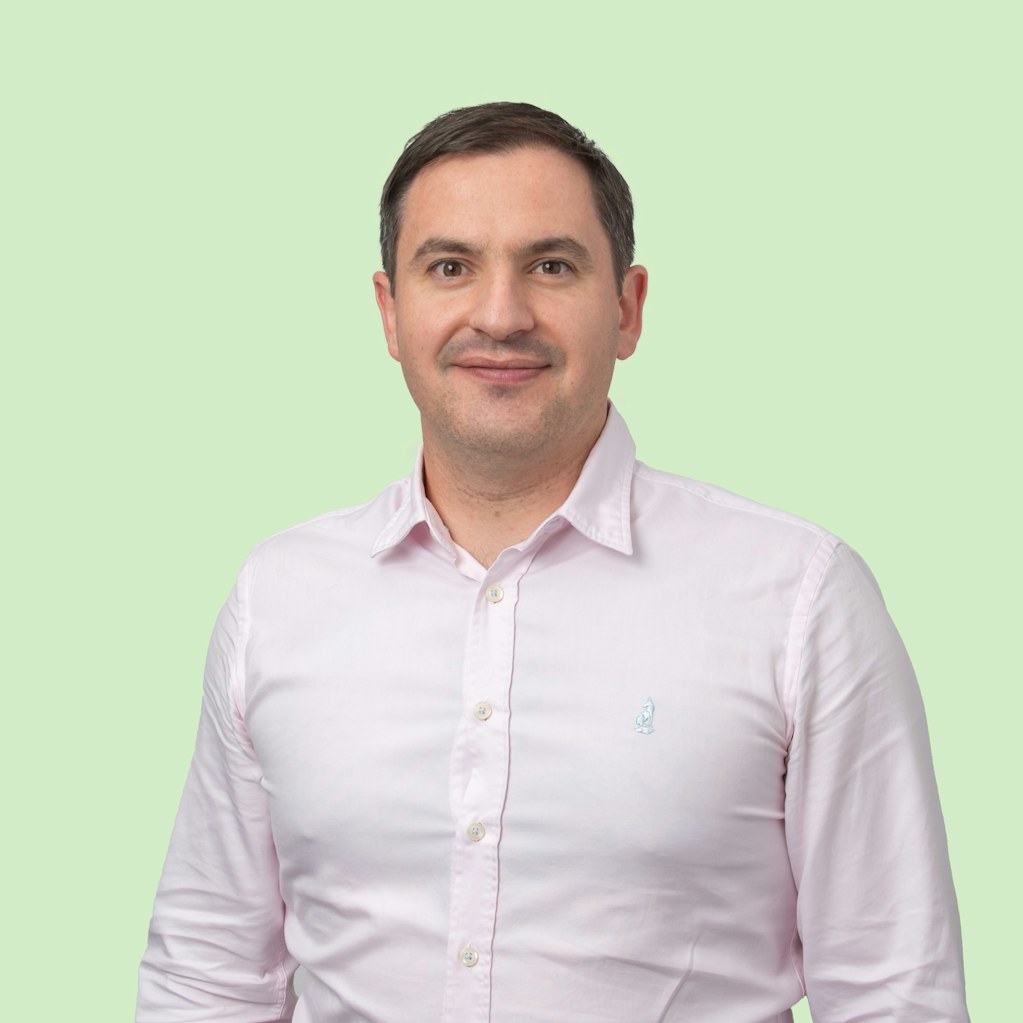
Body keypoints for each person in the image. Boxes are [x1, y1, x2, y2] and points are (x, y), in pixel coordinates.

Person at [137, 102, 969, 1023]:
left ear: (626, 308)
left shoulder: (796, 597)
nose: (499, 315)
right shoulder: (279, 597)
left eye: (550, 266)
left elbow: (894, 993)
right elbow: (206, 978)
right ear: (389, 311)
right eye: (449, 267)